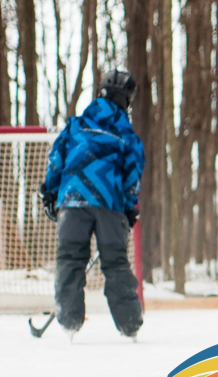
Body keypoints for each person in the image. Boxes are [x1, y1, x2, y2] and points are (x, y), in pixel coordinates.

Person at [42, 69, 144, 341]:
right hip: (109, 204)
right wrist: (129, 208)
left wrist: (50, 193)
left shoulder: (76, 126)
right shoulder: (126, 135)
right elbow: (132, 177)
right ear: (127, 100)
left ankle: (69, 324)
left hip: (73, 202)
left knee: (70, 260)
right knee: (116, 263)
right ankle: (130, 327)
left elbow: (56, 160)